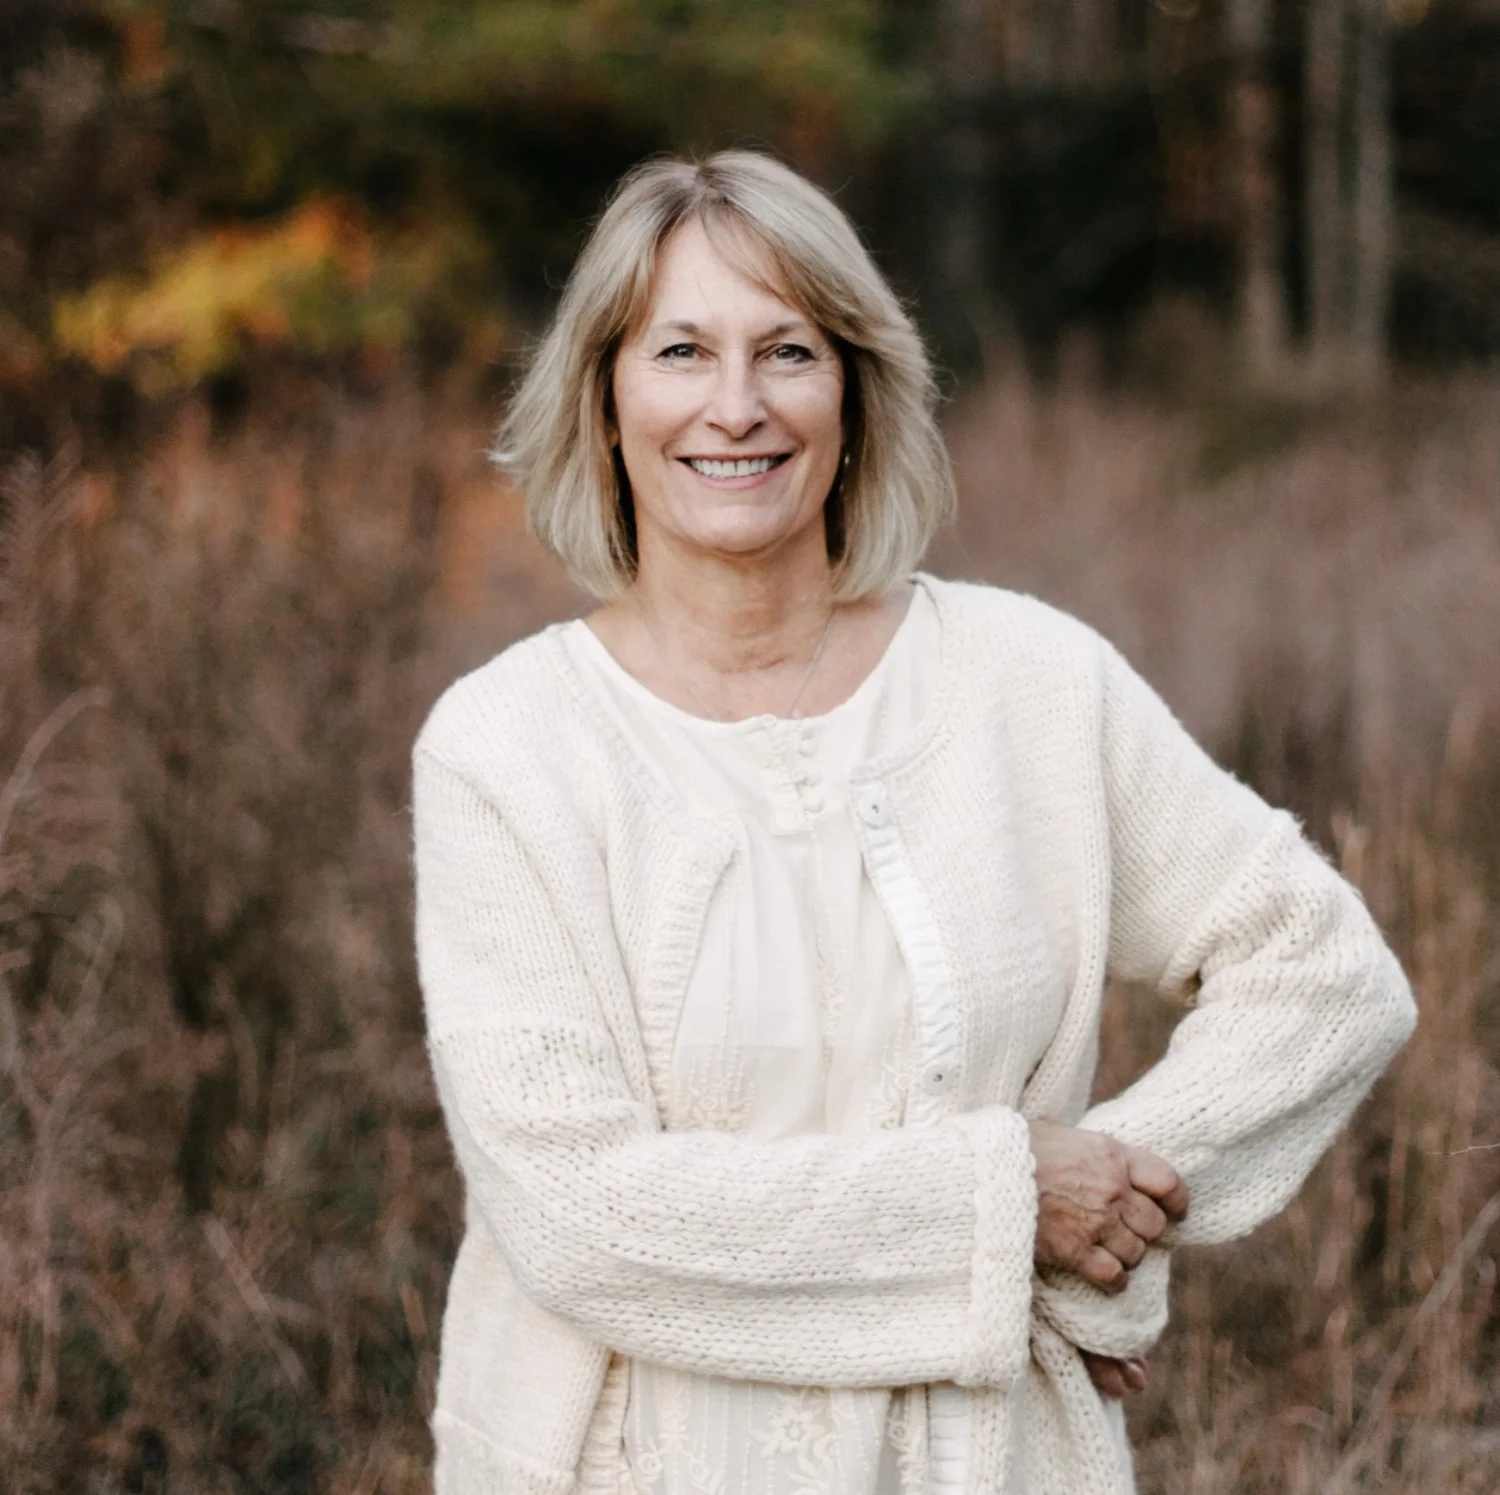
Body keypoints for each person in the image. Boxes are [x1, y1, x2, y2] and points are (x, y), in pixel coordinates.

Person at [411, 151, 1415, 1495]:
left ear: (856, 388)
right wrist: (1004, 1211)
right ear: (602, 395)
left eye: (787, 349)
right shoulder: (507, 746)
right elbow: (581, 1214)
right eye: (680, 351)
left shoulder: (1029, 683)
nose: (736, 405)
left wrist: (1100, 1226)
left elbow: (1322, 970)